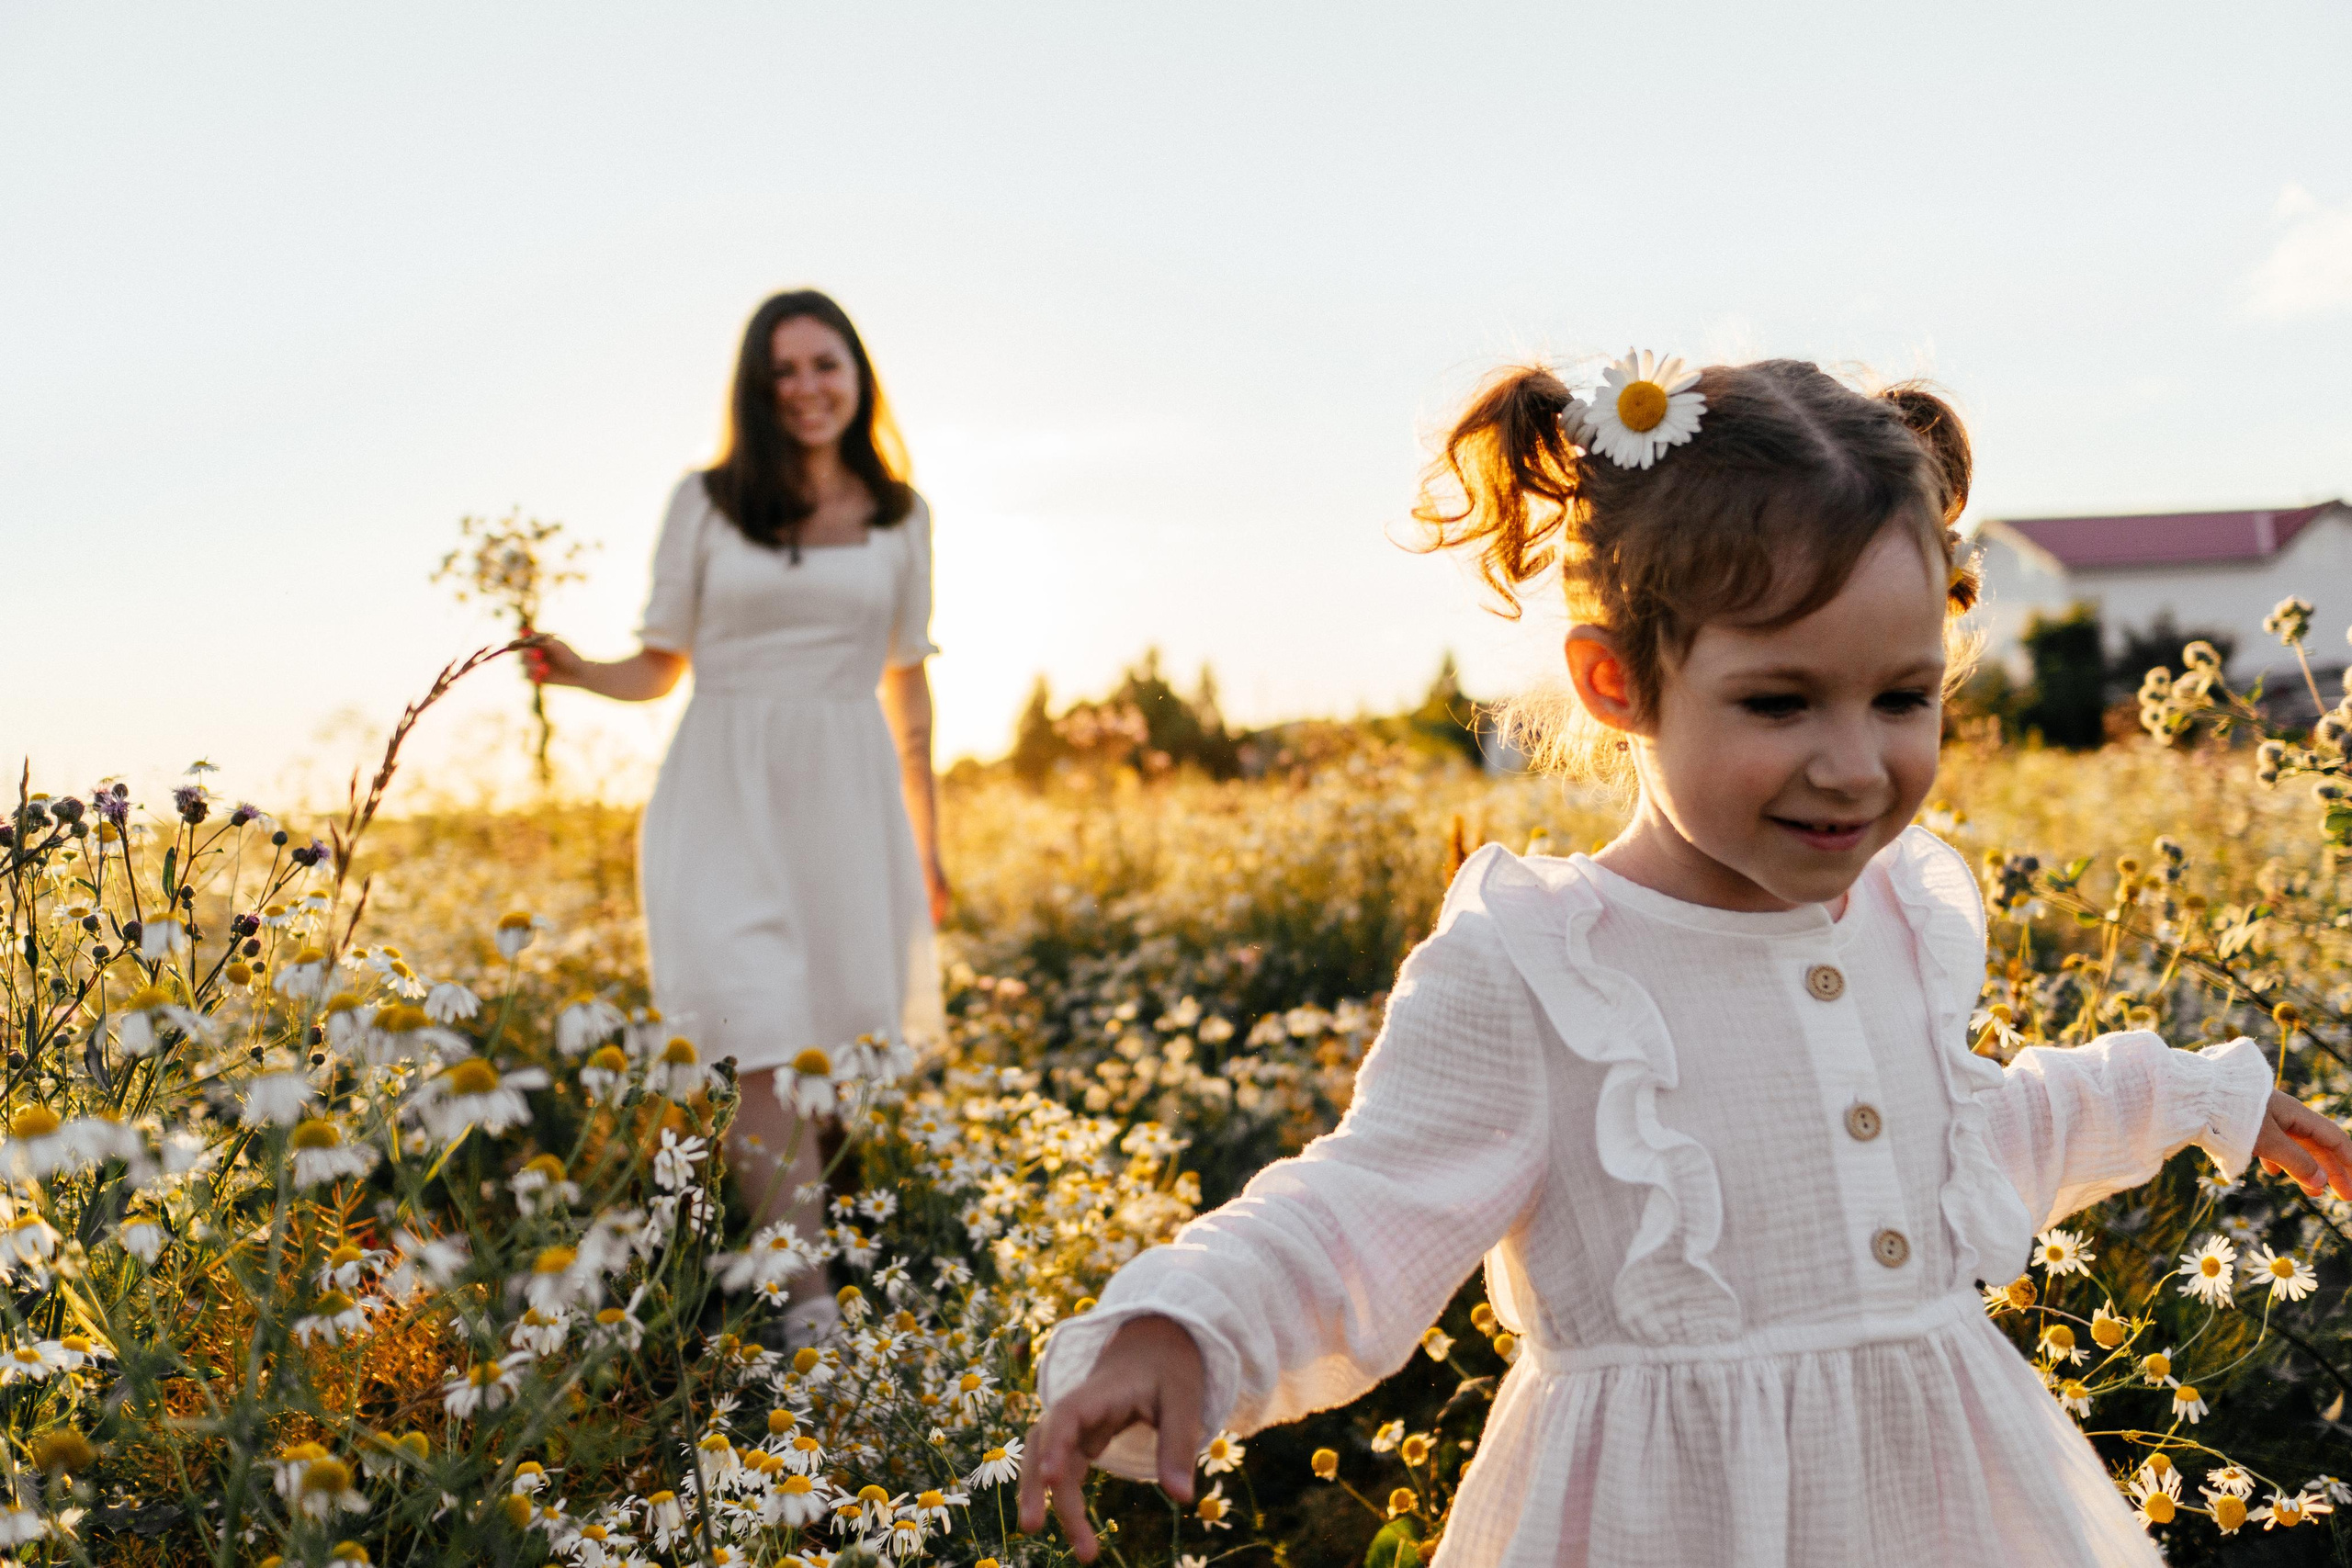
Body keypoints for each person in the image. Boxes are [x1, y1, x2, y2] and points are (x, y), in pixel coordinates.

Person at [1019, 350, 2352, 1564]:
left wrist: (2196, 1095)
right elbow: (1362, 1204)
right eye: (1779, 701)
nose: (1854, 764)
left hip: (1943, 1505)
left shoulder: (1898, 916)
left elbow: (1967, 1140)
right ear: (1616, 682)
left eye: (1902, 697)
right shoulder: (1544, 962)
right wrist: (1184, 1324)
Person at [530, 290, 948, 1331]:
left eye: (824, 364)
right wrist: (581, 671)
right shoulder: (707, 501)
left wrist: (929, 845)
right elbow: (659, 664)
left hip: (846, 804)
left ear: (857, 374)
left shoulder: (902, 515)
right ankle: (809, 1313)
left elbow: (909, 686)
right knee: (755, 1036)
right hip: (719, 797)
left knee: (827, 1049)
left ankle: (782, 1255)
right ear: (756, 390)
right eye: (782, 371)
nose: (806, 387)